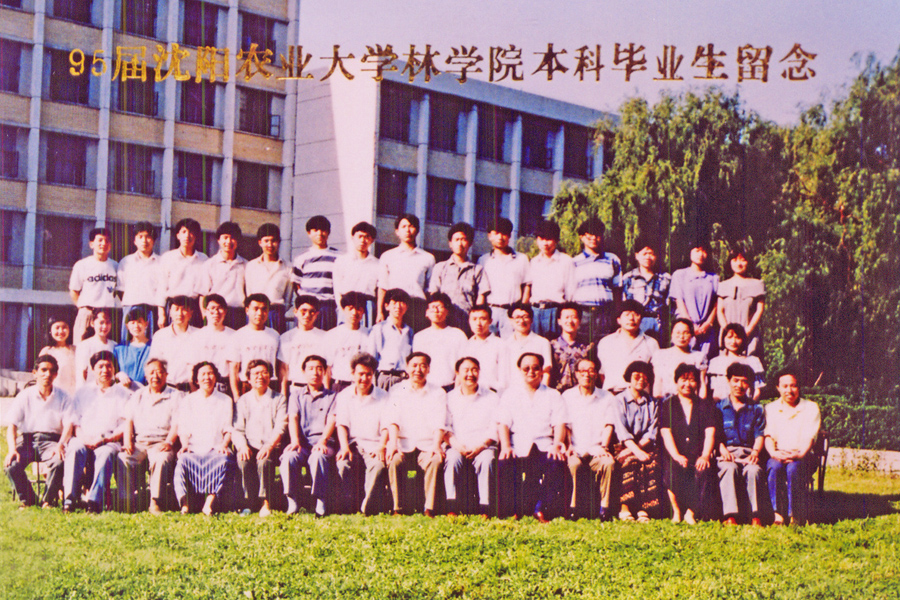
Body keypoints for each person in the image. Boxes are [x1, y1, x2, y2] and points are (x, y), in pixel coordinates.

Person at [497, 353, 568, 522]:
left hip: (545, 444)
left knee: (556, 462)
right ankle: (512, 510)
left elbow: (559, 423)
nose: (531, 372)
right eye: (526, 368)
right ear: (519, 370)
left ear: (542, 370)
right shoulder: (510, 395)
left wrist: (557, 445)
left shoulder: (553, 395)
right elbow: (503, 423)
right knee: (504, 463)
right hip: (518, 444)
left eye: (536, 368)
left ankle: (541, 509)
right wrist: (506, 446)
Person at [61, 351, 130, 513]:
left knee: (105, 454)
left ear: (114, 369)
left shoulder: (123, 394)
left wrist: (105, 439)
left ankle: (94, 501)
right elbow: (75, 421)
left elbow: (124, 425)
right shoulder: (82, 392)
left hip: (109, 440)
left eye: (109, 366)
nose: (105, 370)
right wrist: (85, 439)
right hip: (83, 437)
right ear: (93, 369)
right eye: (100, 366)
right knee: (74, 448)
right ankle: (69, 499)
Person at [385, 352, 447, 517]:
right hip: (403, 443)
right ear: (407, 368)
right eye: (414, 365)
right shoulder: (397, 390)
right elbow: (393, 419)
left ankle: (429, 508)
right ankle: (397, 508)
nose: (418, 369)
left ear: (428, 369)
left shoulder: (438, 392)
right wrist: (393, 444)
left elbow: (439, 422)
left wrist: (436, 446)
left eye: (422, 366)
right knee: (394, 459)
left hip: (427, 444)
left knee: (435, 460)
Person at [4, 355, 70, 508]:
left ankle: (48, 500)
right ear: (35, 373)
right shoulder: (24, 396)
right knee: (11, 465)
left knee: (59, 462)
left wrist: (60, 445)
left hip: (52, 441)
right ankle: (29, 500)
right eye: (44, 370)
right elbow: (12, 425)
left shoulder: (63, 396)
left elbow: (69, 425)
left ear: (56, 374)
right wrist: (12, 450)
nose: (47, 374)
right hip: (28, 440)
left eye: (52, 371)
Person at [118, 358, 180, 515]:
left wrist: (169, 442)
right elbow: (129, 420)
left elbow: (177, 424)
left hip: (161, 442)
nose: (155, 376)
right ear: (146, 376)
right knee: (123, 458)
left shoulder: (175, 395)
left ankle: (155, 502)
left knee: (161, 459)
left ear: (166, 375)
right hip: (140, 442)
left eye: (159, 372)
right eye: (151, 373)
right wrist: (127, 442)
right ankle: (127, 501)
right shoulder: (138, 394)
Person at [659, 363, 717, 524]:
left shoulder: (705, 405)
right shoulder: (668, 404)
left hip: (697, 453)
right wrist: (676, 455)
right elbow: (665, 432)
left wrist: (705, 455)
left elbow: (710, 432)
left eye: (692, 380)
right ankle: (676, 511)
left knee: (703, 469)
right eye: (683, 379)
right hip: (674, 452)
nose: (687, 384)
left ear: (697, 383)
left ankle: (691, 512)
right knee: (671, 468)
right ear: (676, 381)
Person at [174, 362, 235, 515]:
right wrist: (185, 445)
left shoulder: (225, 400)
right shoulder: (188, 400)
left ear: (216, 377)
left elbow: (228, 428)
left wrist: (224, 444)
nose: (207, 377)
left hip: (216, 447)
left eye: (210, 373)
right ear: (196, 379)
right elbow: (183, 428)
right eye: (203, 374)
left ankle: (209, 503)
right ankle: (185, 505)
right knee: (183, 460)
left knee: (224, 460)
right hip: (194, 447)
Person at [281, 355, 338, 516]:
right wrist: (295, 440)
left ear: (325, 372)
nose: (315, 372)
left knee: (318, 457)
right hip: (302, 443)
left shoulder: (332, 396)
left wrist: (323, 441)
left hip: (324, 443)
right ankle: (292, 500)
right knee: (289, 457)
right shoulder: (296, 395)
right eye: (311, 369)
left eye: (319, 368)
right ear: (304, 372)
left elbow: (332, 420)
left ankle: (320, 500)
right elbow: (293, 417)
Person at [335, 353, 391, 515]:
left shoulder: (383, 396)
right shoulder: (344, 395)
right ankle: (348, 504)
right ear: (353, 374)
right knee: (342, 464)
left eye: (368, 374)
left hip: (374, 445)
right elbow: (342, 424)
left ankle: (367, 506)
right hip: (352, 444)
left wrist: (381, 446)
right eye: (361, 374)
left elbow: (386, 426)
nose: (364, 378)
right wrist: (344, 447)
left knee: (378, 466)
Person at [562, 357, 617, 520]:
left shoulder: (607, 397)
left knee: (608, 463)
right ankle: (573, 508)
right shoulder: (567, 396)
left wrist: (604, 447)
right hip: (575, 448)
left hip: (597, 448)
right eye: (582, 371)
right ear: (576, 374)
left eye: (591, 370)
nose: (587, 374)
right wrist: (569, 446)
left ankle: (604, 508)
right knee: (573, 464)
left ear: (597, 374)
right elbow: (566, 426)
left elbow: (609, 425)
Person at [443, 357, 499, 516]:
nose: (470, 374)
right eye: (466, 370)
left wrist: (481, 446)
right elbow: (446, 427)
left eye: (474, 370)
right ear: (457, 373)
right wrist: (457, 446)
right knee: (452, 459)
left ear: (479, 372)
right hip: (457, 445)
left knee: (487, 460)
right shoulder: (449, 398)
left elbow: (495, 426)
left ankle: (485, 507)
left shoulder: (491, 397)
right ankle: (452, 506)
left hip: (484, 446)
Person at [765, 369, 821, 525]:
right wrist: (774, 453)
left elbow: (810, 437)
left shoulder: (811, 407)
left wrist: (798, 454)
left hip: (803, 456)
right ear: (778, 388)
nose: (789, 390)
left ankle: (794, 515)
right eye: (785, 386)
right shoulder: (771, 408)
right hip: (778, 454)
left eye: (793, 386)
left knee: (793, 468)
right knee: (774, 467)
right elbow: (768, 436)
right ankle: (777, 515)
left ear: (799, 387)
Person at [232, 360, 287, 517]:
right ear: (248, 379)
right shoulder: (243, 400)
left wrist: (269, 446)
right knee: (242, 461)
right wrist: (242, 446)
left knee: (264, 462)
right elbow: (237, 429)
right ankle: (248, 502)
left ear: (270, 376)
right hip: (250, 446)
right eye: (256, 373)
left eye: (264, 372)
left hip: (271, 446)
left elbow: (281, 426)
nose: (260, 376)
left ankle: (265, 502)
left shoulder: (279, 399)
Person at [716, 363, 766, 526]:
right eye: (736, 380)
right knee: (729, 468)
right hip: (726, 453)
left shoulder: (756, 409)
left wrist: (755, 452)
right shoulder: (718, 407)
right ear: (728, 381)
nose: (739, 385)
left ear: (749, 384)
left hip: (748, 453)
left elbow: (759, 435)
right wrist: (722, 449)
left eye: (744, 381)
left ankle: (755, 515)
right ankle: (730, 516)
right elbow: (715, 435)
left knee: (753, 470)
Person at [611, 360, 661, 523]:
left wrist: (638, 450)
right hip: (622, 446)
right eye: (637, 376)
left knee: (649, 462)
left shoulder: (652, 403)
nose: (641, 380)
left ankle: (643, 508)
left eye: (645, 377)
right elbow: (621, 430)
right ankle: (625, 507)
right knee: (630, 462)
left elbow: (651, 432)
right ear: (629, 378)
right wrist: (635, 451)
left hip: (645, 446)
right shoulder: (619, 400)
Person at [377, 214, 435, 332]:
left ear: (417, 230)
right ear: (397, 231)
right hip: (395, 307)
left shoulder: (428, 258)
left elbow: (430, 290)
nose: (408, 230)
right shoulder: (388, 256)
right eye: (403, 226)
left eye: (411, 226)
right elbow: (382, 287)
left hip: (417, 307)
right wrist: (379, 312)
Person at [429, 222, 490, 333]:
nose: (460, 244)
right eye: (456, 240)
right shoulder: (440, 267)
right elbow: (434, 294)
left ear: (470, 243)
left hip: (466, 321)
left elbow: (481, 298)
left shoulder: (477, 269)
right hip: (444, 320)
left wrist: (475, 319)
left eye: (463, 240)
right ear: (450, 243)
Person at [477, 218, 530, 339]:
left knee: (512, 345)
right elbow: (481, 290)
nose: (500, 237)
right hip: (490, 311)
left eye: (504, 233)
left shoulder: (522, 259)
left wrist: (522, 309)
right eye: (496, 233)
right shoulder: (483, 260)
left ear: (510, 236)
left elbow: (527, 285)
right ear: (489, 236)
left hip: (512, 311)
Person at [572, 217, 622, 344]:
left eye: (597, 235)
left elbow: (617, 289)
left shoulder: (613, 259)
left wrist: (617, 314)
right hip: (583, 312)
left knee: (606, 344)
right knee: (582, 346)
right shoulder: (574, 262)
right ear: (581, 237)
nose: (594, 238)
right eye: (589, 235)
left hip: (605, 312)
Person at [595, 300, 660, 393]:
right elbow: (602, 373)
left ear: (641, 319)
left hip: (640, 395)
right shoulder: (606, 342)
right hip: (612, 394)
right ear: (619, 320)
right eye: (627, 314)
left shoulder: (651, 343)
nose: (631, 318)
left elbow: (656, 374)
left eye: (636, 314)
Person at [69, 226, 119, 344]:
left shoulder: (116, 266)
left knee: (107, 348)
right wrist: (83, 308)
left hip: (107, 315)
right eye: (100, 240)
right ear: (91, 244)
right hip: (88, 313)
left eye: (107, 241)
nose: (104, 243)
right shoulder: (82, 265)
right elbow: (74, 291)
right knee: (81, 346)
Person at [670, 240, 718, 358]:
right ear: (690, 252)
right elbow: (679, 300)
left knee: (704, 360)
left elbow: (716, 303)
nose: (700, 254)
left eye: (704, 251)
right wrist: (690, 325)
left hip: (706, 329)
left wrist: (708, 323)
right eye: (697, 250)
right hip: (685, 327)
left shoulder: (714, 278)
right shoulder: (679, 275)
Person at [527, 220, 575, 339]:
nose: (545, 243)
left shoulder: (566, 261)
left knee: (555, 346)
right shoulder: (534, 262)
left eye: (549, 239)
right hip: (535, 311)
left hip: (556, 310)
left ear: (556, 240)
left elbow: (571, 290)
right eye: (541, 239)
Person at [292, 215, 341, 330]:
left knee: (327, 337)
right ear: (309, 233)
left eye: (323, 230)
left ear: (328, 232)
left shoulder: (339, 257)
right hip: (307, 308)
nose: (320, 233)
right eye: (315, 230)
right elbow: (296, 283)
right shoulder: (301, 258)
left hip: (328, 307)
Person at [157, 218, 207, 328]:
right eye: (184, 232)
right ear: (178, 235)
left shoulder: (203, 259)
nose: (187, 236)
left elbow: (204, 290)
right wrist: (161, 314)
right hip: (174, 306)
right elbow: (161, 287)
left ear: (196, 236)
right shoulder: (168, 257)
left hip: (193, 308)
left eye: (191, 232)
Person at [717, 244, 765, 358]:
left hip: (749, 335)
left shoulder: (757, 284)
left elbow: (759, 310)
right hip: (728, 337)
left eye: (743, 260)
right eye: (735, 260)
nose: (739, 264)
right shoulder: (723, 285)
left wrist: (747, 331)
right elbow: (720, 311)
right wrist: (728, 332)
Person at [413, 293, 468, 390]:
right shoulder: (419, 337)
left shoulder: (458, 335)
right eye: (432, 307)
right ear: (426, 313)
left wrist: (457, 390)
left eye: (440, 307)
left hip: (452, 387)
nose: (436, 310)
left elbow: (464, 365)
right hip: (427, 388)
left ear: (447, 311)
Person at [231, 294, 282, 399]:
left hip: (270, 384)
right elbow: (234, 369)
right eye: (256, 309)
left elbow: (280, 367)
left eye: (264, 309)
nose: (260, 313)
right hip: (247, 385)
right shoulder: (238, 335)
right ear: (247, 310)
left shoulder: (275, 335)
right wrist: (236, 395)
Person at [116, 221, 160, 339]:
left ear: (154, 240)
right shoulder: (126, 262)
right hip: (130, 308)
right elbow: (120, 290)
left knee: (151, 344)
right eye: (140, 237)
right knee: (128, 343)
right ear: (135, 240)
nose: (144, 241)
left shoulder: (161, 263)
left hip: (151, 311)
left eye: (148, 237)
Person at [245, 223, 291, 333]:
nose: (270, 244)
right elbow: (249, 292)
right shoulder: (251, 265)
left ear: (279, 242)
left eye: (273, 241)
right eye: (266, 241)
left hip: (276, 314)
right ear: (260, 242)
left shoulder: (288, 267)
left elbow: (288, 297)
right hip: (256, 313)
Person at [200, 221, 247, 330]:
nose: (228, 241)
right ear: (219, 240)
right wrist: (205, 316)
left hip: (238, 314)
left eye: (232, 238)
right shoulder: (209, 264)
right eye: (225, 237)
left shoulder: (246, 265)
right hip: (216, 313)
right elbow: (203, 294)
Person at [622, 236, 671, 339]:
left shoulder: (665, 278)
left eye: (651, 254)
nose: (648, 257)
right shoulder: (628, 278)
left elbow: (671, 304)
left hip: (659, 323)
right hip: (635, 322)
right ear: (637, 256)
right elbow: (623, 303)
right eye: (644, 254)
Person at [332, 221, 379, 328]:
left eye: (367, 237)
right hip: (347, 305)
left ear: (372, 240)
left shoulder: (377, 264)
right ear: (353, 237)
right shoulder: (341, 261)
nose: (363, 240)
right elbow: (337, 287)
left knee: (366, 334)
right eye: (360, 236)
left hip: (367, 306)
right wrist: (342, 308)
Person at [278, 295, 326, 396]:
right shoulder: (286, 337)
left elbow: (326, 368)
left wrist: (326, 393)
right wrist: (283, 395)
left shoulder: (324, 336)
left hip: (318, 390)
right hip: (295, 389)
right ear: (295, 312)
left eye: (311, 312)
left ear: (317, 314)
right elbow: (283, 369)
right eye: (303, 311)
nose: (307, 315)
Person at [148, 296, 198, 391]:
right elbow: (154, 365)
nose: (180, 313)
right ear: (170, 312)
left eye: (184, 309)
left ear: (191, 313)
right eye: (176, 309)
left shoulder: (199, 335)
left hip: (191, 389)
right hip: (166, 389)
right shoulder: (160, 336)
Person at [323, 292, 371, 393]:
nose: (354, 312)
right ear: (343, 309)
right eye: (350, 308)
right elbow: (327, 368)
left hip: (361, 387)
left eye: (358, 309)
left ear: (363, 311)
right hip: (339, 386)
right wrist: (326, 392)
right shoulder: (332, 334)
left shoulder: (369, 335)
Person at [651, 318, 708, 399]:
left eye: (686, 333)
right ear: (671, 334)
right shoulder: (660, 355)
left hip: (690, 401)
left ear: (691, 335)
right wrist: (658, 400)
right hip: (666, 401)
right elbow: (658, 381)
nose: (681, 336)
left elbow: (702, 384)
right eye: (678, 332)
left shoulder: (699, 357)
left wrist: (701, 403)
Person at [369, 288, 414, 390]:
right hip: (386, 377)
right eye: (394, 302)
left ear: (407, 307)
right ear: (386, 306)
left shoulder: (409, 331)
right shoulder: (378, 329)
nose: (398, 306)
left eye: (402, 302)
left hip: (404, 379)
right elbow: (371, 358)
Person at [193, 294, 238, 395]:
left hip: (225, 386)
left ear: (225, 311)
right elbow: (191, 367)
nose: (216, 312)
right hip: (203, 386)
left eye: (219, 308)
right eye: (212, 308)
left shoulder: (234, 336)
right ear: (205, 311)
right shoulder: (196, 336)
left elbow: (235, 369)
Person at [707, 324, 765, 401]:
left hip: (747, 405)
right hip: (722, 405)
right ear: (723, 339)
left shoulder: (752, 361)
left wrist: (751, 405)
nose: (733, 341)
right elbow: (715, 391)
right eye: (729, 337)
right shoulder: (716, 362)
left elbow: (757, 390)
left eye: (737, 337)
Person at [502, 303, 553, 388]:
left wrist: (542, 392)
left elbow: (546, 372)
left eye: (525, 317)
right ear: (511, 320)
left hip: (536, 390)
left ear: (532, 320)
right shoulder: (505, 344)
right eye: (517, 317)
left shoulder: (542, 342)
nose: (521, 321)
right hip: (512, 391)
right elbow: (503, 374)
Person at [549, 303, 594, 392]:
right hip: (556, 393)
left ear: (580, 321)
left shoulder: (588, 347)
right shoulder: (551, 346)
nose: (570, 321)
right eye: (566, 317)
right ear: (559, 321)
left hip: (580, 393)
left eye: (574, 317)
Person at [463, 305, 505, 392]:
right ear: (469, 321)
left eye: (482, 319)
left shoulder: (500, 344)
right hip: (471, 392)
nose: (478, 323)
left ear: (490, 321)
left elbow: (504, 378)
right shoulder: (467, 345)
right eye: (474, 319)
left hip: (493, 393)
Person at [74, 308, 116, 388]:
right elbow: (81, 374)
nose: (104, 326)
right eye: (101, 322)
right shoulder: (84, 345)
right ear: (92, 323)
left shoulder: (114, 345)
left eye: (107, 323)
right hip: (91, 390)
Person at [114, 308, 152, 389]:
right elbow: (112, 372)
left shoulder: (153, 346)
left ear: (146, 324)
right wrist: (119, 374)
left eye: (139, 322)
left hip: (146, 391)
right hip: (123, 391)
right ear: (127, 326)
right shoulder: (120, 348)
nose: (136, 326)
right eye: (132, 322)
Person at [39, 316, 76, 396]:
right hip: (55, 395)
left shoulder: (76, 350)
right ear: (50, 330)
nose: (61, 331)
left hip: (74, 394)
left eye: (64, 327)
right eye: (57, 328)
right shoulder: (47, 351)